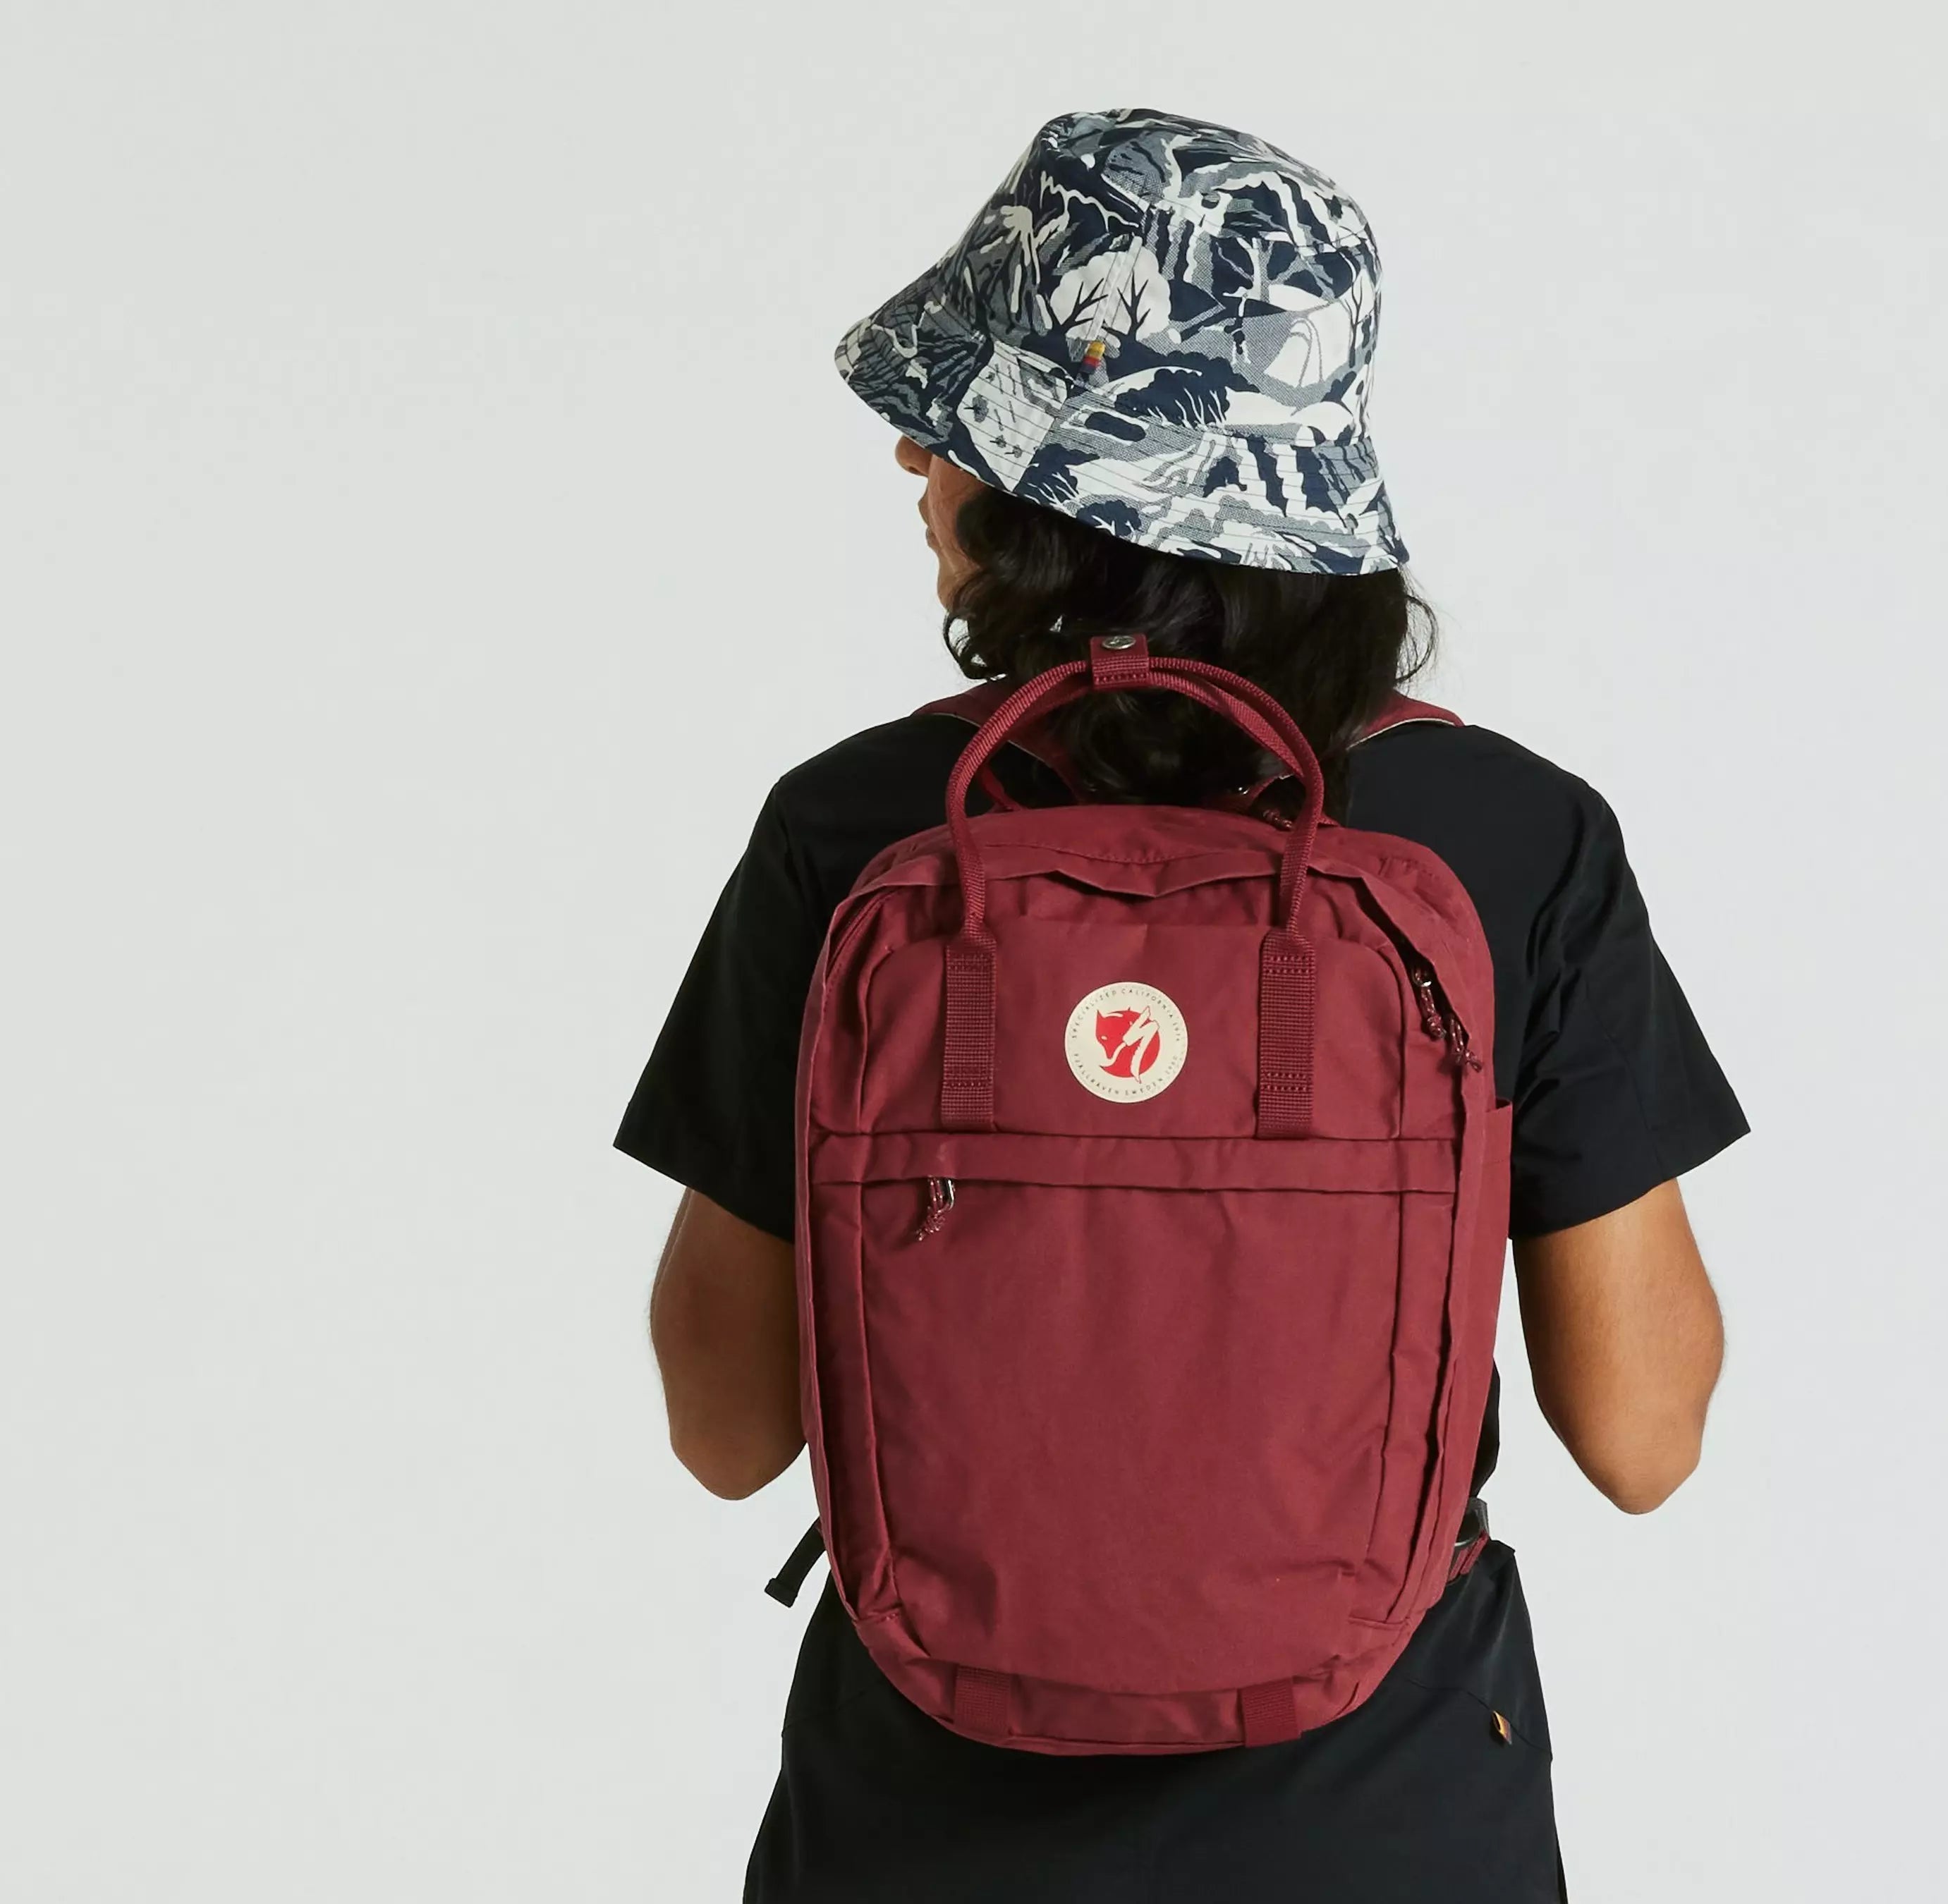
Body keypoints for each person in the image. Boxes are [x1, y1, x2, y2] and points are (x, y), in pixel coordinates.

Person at [619, 108, 1748, 1903]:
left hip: (926, 1829)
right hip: (1385, 1823)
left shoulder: (857, 829)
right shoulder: (1510, 835)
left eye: (963, 420)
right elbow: (1643, 1434)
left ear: (1060, 491)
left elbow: (724, 1425)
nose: (916, 453)